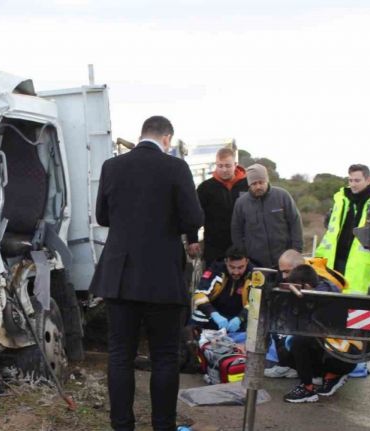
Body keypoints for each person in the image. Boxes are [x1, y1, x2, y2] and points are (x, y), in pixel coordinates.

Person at [90, 115, 203, 431]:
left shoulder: (112, 167)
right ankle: (163, 426)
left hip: (120, 274)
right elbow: (193, 217)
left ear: (142, 135)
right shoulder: (176, 168)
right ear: (167, 138)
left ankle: (122, 425)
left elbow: (102, 216)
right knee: (165, 357)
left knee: (120, 355)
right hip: (162, 276)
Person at [264, 249, 348, 379]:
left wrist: (308, 295)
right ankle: (288, 365)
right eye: (282, 272)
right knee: (279, 326)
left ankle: (319, 374)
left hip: (322, 335)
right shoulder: (284, 279)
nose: (284, 276)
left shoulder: (322, 282)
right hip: (296, 326)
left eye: (287, 271)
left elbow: (329, 298)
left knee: (303, 338)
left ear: (299, 268)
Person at [281, 265, 360, 403]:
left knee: (299, 342)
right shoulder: (325, 291)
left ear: (305, 285)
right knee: (288, 348)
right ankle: (331, 376)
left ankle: (308, 389)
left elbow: (309, 330)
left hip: (342, 357)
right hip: (343, 356)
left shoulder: (324, 300)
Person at [315, 164, 370, 295]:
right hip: (334, 261)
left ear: (368, 180)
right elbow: (331, 233)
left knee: (357, 305)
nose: (353, 184)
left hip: (363, 265)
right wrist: (319, 258)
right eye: (350, 180)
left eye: (357, 180)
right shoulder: (341, 200)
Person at [231, 163, 303, 268]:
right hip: (255, 263)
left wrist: (296, 250)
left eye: (261, 182)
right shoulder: (241, 203)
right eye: (254, 184)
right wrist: (243, 254)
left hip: (285, 262)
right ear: (249, 184)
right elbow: (236, 231)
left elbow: (295, 222)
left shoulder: (282, 196)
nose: (258, 186)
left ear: (267, 180)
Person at [191, 147, 249, 266]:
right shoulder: (205, 188)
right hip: (215, 250)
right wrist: (193, 239)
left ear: (235, 164)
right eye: (220, 166)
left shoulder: (247, 185)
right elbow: (193, 215)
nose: (224, 170)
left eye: (228, 166)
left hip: (245, 248)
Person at [192, 246, 253, 333]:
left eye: (240, 267)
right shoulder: (216, 270)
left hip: (240, 318)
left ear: (247, 262)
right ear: (226, 262)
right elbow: (199, 294)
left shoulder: (255, 275)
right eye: (232, 267)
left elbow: (255, 303)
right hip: (216, 315)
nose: (236, 272)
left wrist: (240, 318)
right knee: (198, 314)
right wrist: (214, 314)